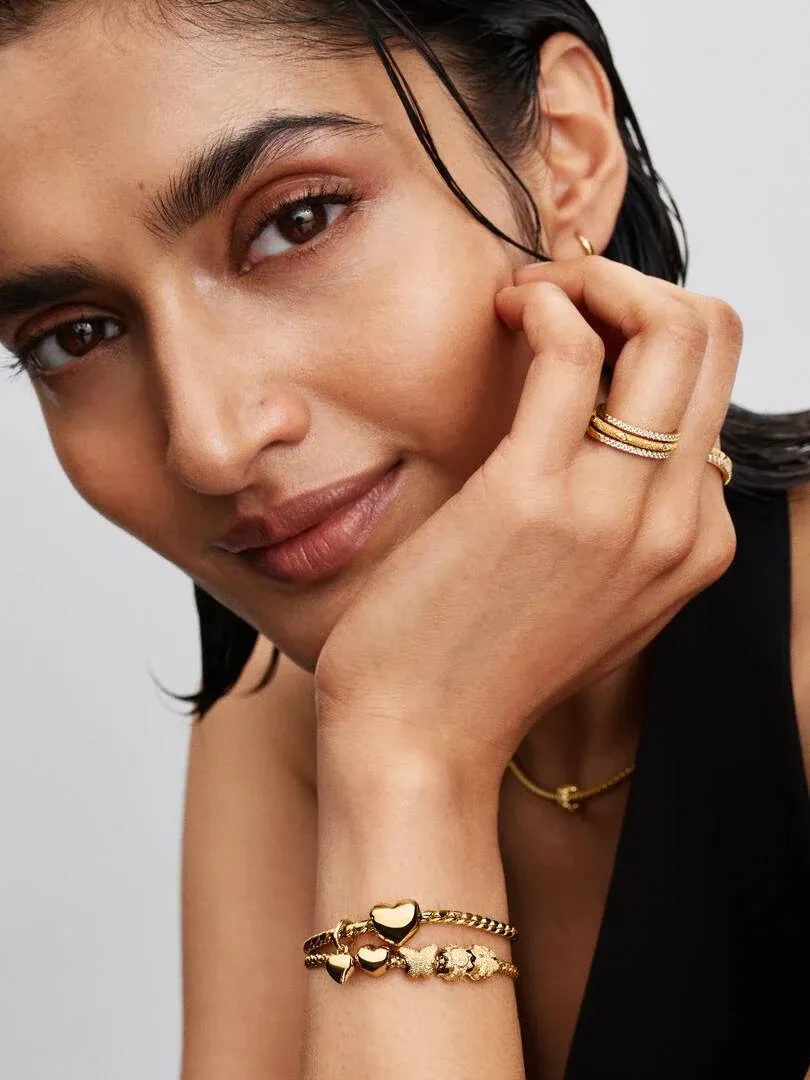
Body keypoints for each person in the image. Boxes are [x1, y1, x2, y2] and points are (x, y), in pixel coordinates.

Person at [1, 1, 808, 1077]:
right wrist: (407, 756)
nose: (208, 442)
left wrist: (402, 750)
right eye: (75, 335)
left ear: (565, 154)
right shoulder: (296, 706)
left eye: (296, 221)